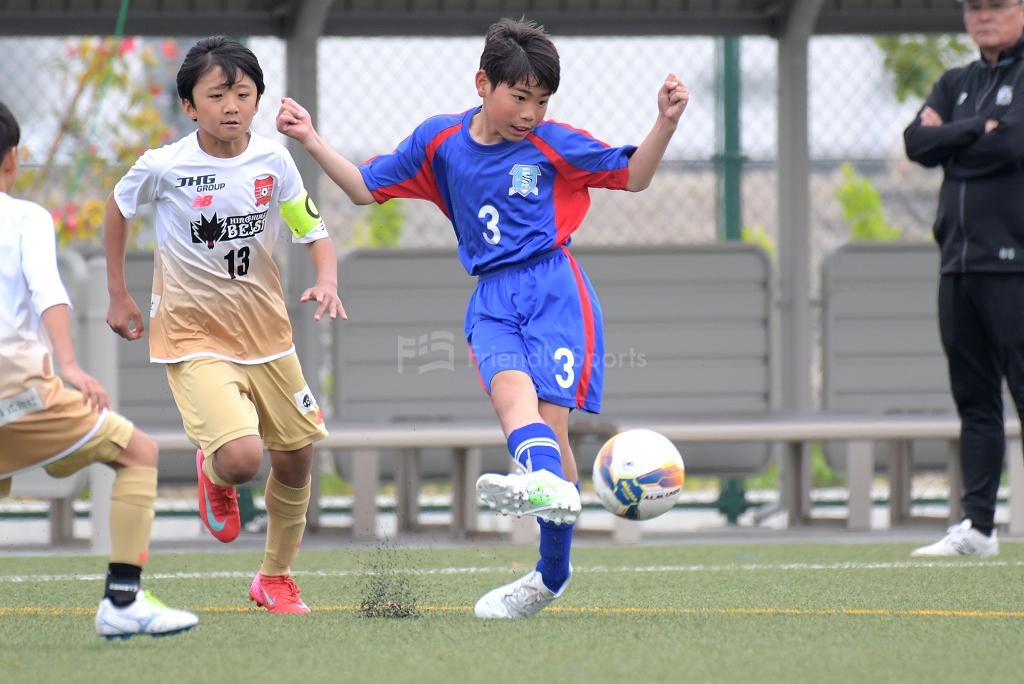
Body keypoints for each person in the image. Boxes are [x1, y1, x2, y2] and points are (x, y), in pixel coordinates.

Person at [277, 18, 688, 617]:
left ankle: (549, 573)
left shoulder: (553, 143)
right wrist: (311, 139)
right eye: (520, 97)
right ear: (482, 84)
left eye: (542, 101)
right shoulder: (440, 142)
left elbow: (636, 175)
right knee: (513, 406)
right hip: (492, 299)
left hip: (555, 291)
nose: (531, 113)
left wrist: (665, 122)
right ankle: (545, 518)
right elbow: (364, 188)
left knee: (551, 427)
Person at [104, 36, 345, 613]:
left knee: (297, 457)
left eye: (243, 93)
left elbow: (311, 228)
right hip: (193, 337)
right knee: (241, 459)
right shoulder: (164, 165)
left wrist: (327, 278)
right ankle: (214, 471)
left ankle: (274, 578)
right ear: (190, 106)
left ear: (258, 99)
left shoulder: (275, 161)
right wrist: (118, 292)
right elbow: (118, 208)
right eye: (216, 95)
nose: (231, 106)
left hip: (269, 338)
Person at [0, 101, 198, 638]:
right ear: (12, 158)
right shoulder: (24, 218)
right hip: (17, 392)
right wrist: (69, 366)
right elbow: (47, 290)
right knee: (138, 452)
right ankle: (123, 600)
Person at [904, 0, 1024, 557]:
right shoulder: (955, 82)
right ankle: (978, 528)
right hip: (957, 263)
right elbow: (916, 144)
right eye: (974, 6)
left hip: (1014, 264)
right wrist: (977, 128)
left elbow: (1012, 144)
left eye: (997, 4)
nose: (984, 15)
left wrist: (951, 139)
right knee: (975, 401)